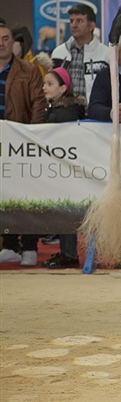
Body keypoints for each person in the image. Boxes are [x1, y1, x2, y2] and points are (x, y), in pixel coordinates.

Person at [0, 21, 47, 266]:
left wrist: (33, 134)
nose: (1, 43)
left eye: (5, 38)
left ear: (13, 42)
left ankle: (29, 246)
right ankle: (9, 246)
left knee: (27, 195)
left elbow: (38, 102)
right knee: (4, 195)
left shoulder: (28, 70)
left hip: (20, 141)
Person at [39, 67, 87, 268]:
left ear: (63, 88)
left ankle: (69, 254)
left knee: (66, 207)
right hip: (63, 168)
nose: (44, 88)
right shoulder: (57, 109)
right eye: (44, 83)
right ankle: (66, 252)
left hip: (67, 169)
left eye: (50, 84)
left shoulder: (64, 113)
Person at [51, 4, 108, 101]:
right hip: (64, 111)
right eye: (71, 21)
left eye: (79, 21)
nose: (74, 25)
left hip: (93, 112)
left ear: (91, 26)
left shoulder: (106, 54)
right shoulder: (58, 53)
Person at [87, 43, 121, 122]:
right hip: (108, 132)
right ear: (117, 59)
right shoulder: (105, 76)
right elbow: (93, 108)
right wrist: (112, 113)